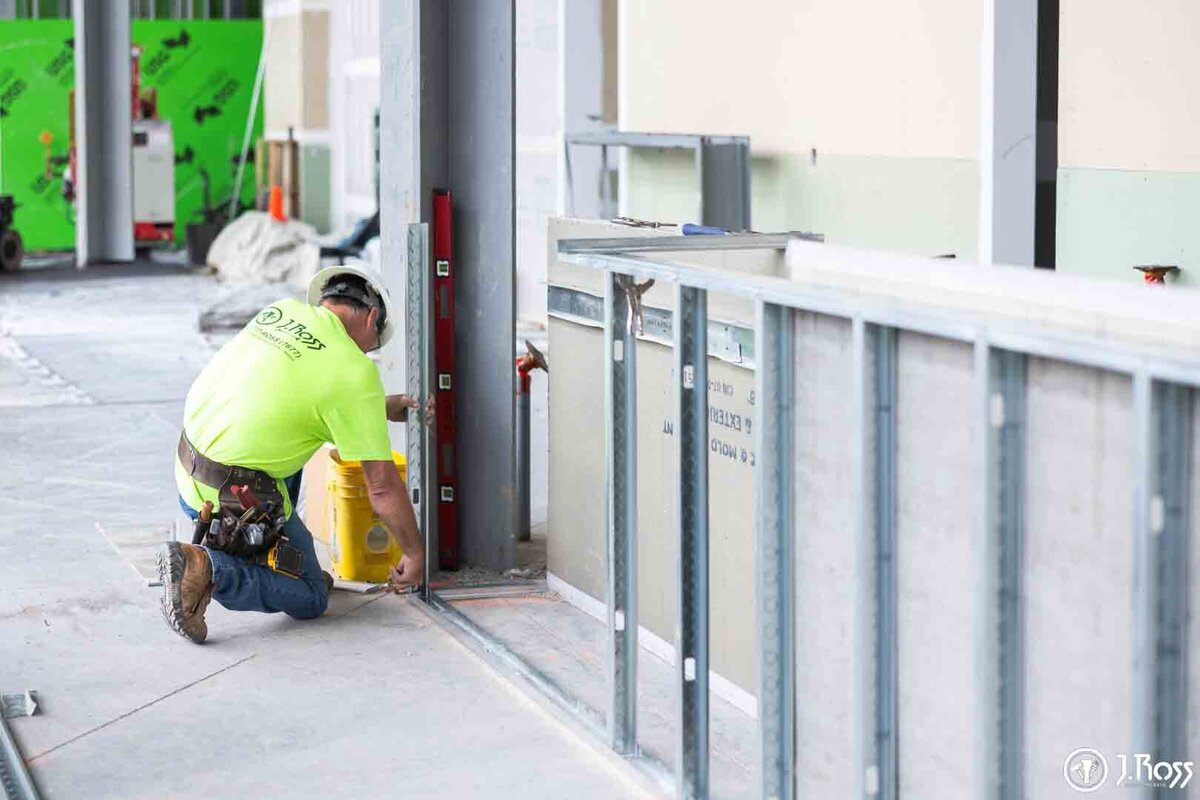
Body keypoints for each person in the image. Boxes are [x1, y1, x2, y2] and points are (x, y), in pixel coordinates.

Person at [159, 260, 425, 644]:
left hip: (190, 472)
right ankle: (207, 567)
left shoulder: (280, 311)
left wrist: (377, 408)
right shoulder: (355, 370)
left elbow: (289, 397)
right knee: (311, 596)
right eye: (375, 341)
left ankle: (255, 553)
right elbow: (381, 489)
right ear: (372, 318)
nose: (371, 350)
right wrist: (415, 554)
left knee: (299, 436)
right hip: (235, 498)